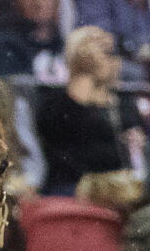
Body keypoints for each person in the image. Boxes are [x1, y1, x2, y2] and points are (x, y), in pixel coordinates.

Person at [32, 25, 130, 198]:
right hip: (68, 190)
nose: (107, 53)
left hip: (114, 189)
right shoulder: (55, 105)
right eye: (99, 45)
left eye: (110, 51)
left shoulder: (122, 104)